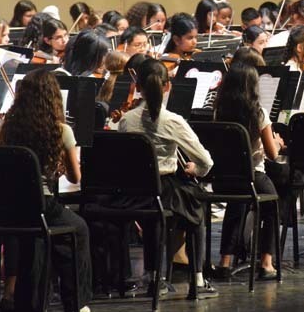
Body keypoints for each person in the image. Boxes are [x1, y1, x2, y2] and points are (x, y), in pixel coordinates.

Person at [0, 68, 93, 312]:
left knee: (41, 235)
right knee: (78, 228)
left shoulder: (8, 127)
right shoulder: (61, 130)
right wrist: (59, 167)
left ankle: (29, 300)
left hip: (12, 204)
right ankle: (76, 302)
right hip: (42, 203)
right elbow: (75, 177)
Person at [118, 58, 217, 298]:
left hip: (135, 194)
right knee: (197, 211)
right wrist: (197, 170)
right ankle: (198, 279)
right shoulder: (172, 120)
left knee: (156, 217)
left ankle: (155, 278)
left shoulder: (125, 120)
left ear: (138, 86)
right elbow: (205, 160)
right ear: (167, 86)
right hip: (165, 190)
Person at [213, 63, 284, 280]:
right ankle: (267, 262)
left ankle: (224, 262)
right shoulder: (258, 112)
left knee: (236, 207)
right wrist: (278, 142)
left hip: (224, 178)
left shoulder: (219, 110)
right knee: (273, 207)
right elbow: (272, 154)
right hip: (253, 177)